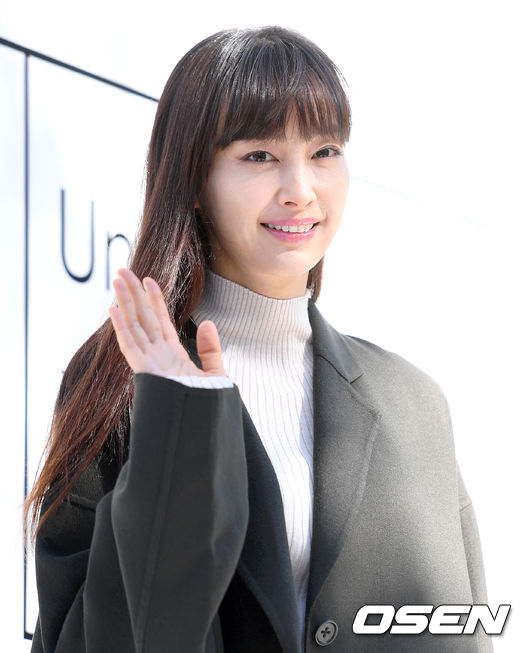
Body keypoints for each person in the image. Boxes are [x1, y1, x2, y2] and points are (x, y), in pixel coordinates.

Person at [24, 26, 493, 653]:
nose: (300, 190)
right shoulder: (124, 383)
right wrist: (180, 425)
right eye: (259, 156)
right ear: (195, 180)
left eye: (325, 151)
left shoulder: (413, 403)